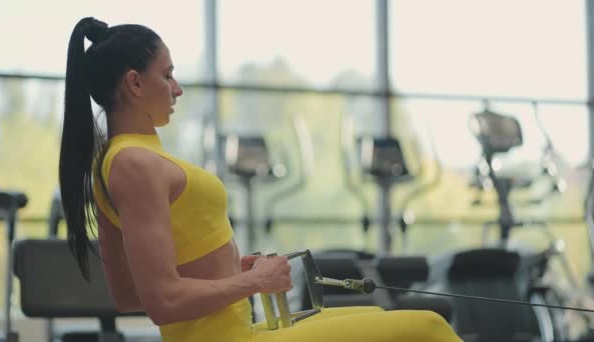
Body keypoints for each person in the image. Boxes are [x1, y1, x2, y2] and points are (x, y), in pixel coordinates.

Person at [58, 17, 462, 342]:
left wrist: (234, 272)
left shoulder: (119, 162)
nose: (177, 89)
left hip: (241, 330)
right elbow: (162, 301)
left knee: (375, 313)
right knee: (425, 328)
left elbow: (130, 296)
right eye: (168, 75)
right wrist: (253, 281)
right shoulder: (134, 163)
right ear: (134, 83)